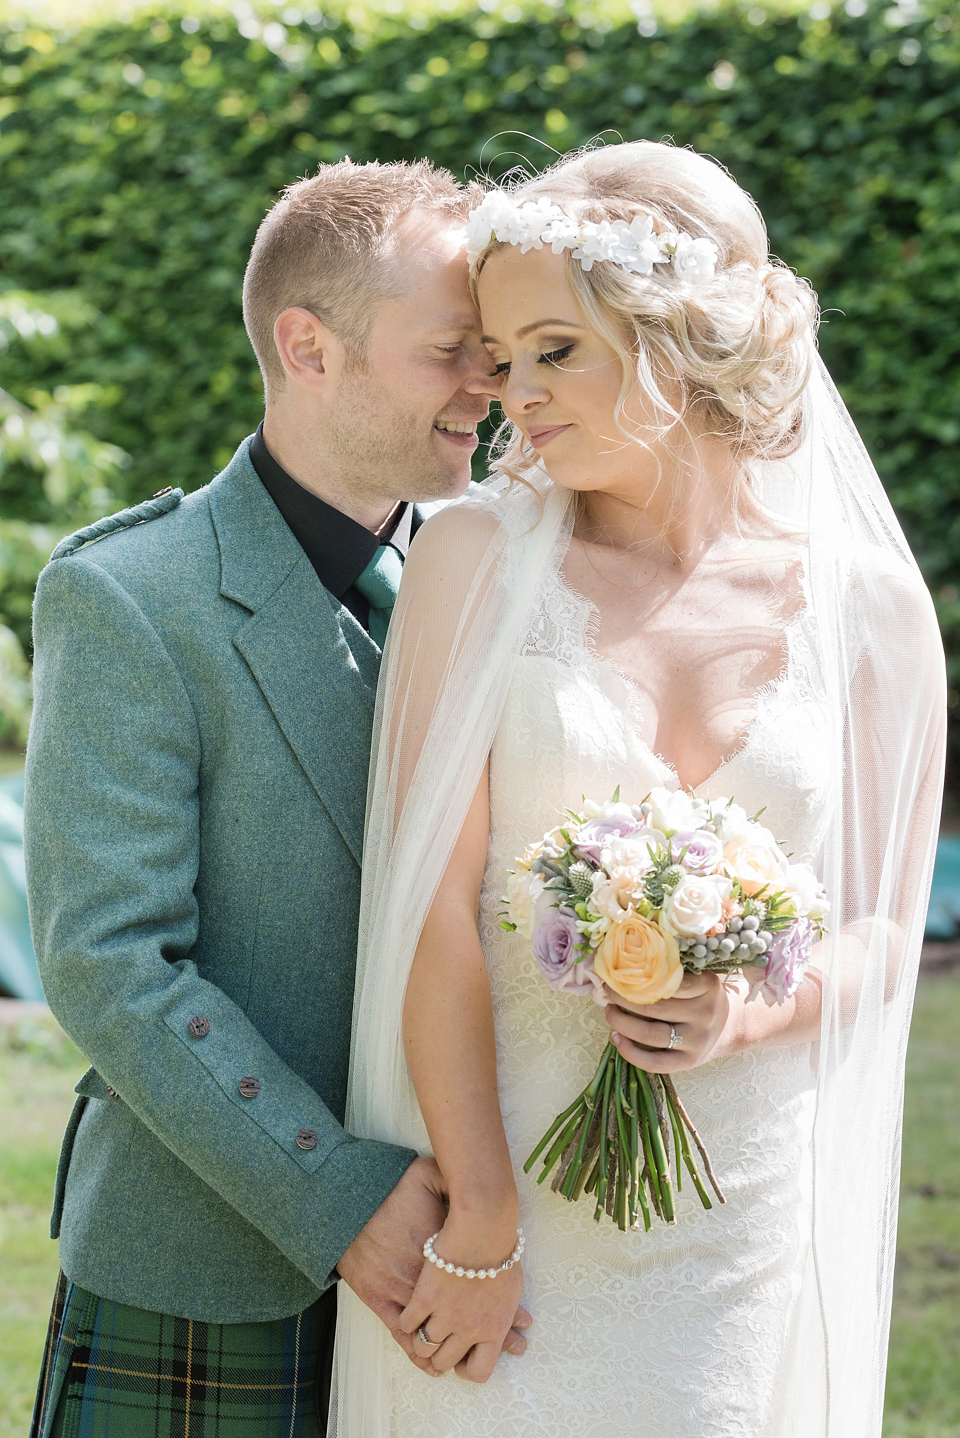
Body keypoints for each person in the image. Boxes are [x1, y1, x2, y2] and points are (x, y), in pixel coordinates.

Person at [334, 141, 946, 1437]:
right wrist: (484, 1217)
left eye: (556, 349)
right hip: (507, 1212)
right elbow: (431, 906)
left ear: (682, 333)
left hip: (737, 1210)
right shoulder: (475, 561)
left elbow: (888, 933)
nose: (515, 397)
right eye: (503, 357)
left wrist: (743, 1017)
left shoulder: (873, 610)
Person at [25, 157, 530, 1438]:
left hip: (489, 1256)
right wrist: (339, 1196)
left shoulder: (520, 582)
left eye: (499, 352)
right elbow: (113, 962)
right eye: (451, 351)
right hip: (220, 1267)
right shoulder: (133, 594)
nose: (493, 387)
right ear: (309, 347)